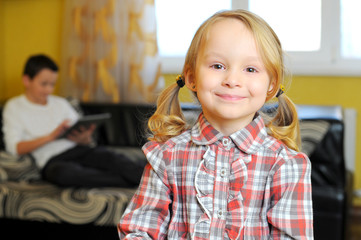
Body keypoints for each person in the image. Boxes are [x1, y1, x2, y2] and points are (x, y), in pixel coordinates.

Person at [118, 9, 313, 239]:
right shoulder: (166, 156)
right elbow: (141, 229)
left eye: (250, 69)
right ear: (191, 78)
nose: (232, 80)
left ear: (271, 85)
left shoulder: (285, 165)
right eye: (217, 66)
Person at [2, 54, 146, 188]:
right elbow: (14, 148)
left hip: (79, 150)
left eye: (52, 84)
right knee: (65, 175)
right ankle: (135, 180)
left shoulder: (60, 103)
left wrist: (84, 138)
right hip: (53, 161)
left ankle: (148, 176)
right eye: (44, 84)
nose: (49, 90)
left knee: (113, 158)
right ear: (26, 80)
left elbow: (82, 133)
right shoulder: (14, 107)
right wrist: (51, 136)